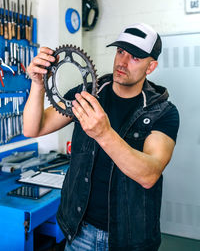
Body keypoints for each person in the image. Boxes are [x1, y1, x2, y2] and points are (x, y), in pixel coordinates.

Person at [23, 23, 179, 251]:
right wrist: (37, 84)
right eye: (120, 52)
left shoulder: (162, 111)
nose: (123, 62)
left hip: (129, 239)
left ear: (151, 66)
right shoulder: (87, 93)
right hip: (79, 232)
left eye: (135, 57)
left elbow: (149, 174)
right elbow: (33, 128)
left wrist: (104, 133)